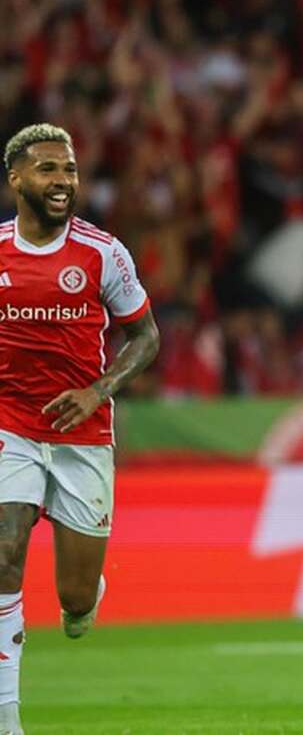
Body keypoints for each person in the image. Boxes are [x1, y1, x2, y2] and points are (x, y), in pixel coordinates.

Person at [0, 124, 160, 735]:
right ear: (16, 179)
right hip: (10, 423)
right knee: (6, 550)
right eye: (47, 169)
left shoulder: (102, 252)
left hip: (83, 435)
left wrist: (99, 388)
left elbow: (145, 336)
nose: (62, 181)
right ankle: (9, 716)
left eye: (68, 169)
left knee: (72, 602)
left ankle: (84, 594)